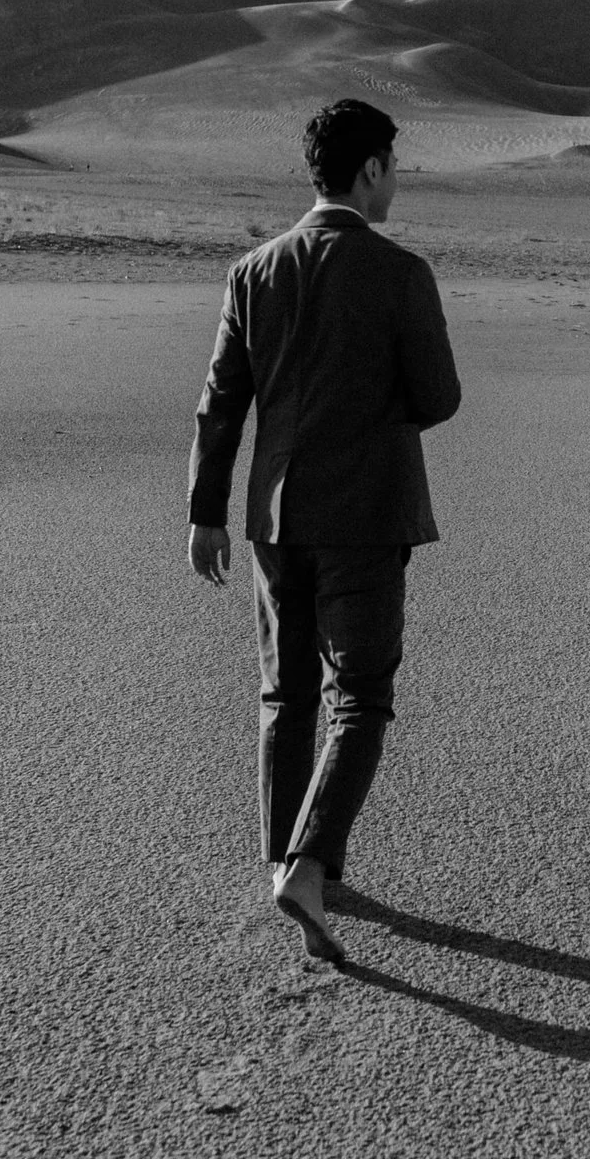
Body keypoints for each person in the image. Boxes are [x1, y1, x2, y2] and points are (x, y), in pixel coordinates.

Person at [187, 99, 462, 963]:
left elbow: (221, 402)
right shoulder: (401, 272)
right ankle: (307, 866)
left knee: (286, 693)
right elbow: (439, 396)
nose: (396, 180)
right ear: (371, 168)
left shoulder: (252, 270)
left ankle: (283, 853)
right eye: (394, 165)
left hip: (275, 516)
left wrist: (204, 511)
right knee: (362, 695)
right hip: (366, 518)